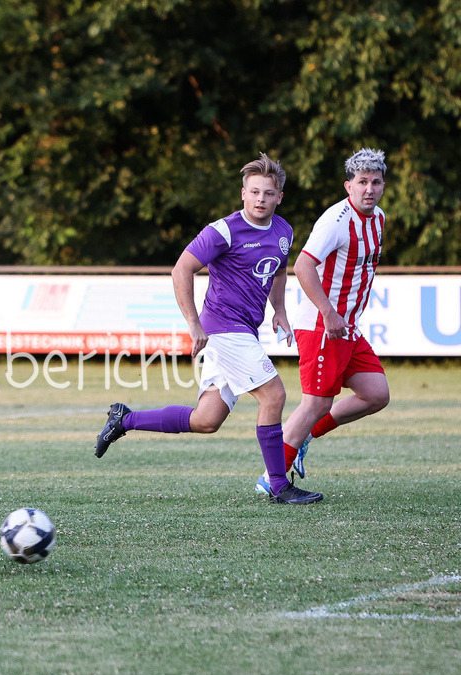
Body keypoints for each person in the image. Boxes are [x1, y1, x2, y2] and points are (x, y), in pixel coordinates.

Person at [94, 153, 323, 504]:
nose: (261, 199)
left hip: (245, 329)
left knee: (207, 419)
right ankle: (279, 485)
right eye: (254, 191)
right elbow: (181, 270)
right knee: (274, 395)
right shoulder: (223, 230)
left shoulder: (284, 231)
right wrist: (193, 323)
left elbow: (278, 270)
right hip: (223, 328)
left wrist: (280, 311)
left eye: (268, 193)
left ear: (280, 197)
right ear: (243, 194)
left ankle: (125, 419)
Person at [255, 148, 390, 494]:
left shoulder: (379, 218)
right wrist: (329, 312)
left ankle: (302, 439)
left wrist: (342, 318)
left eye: (375, 182)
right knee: (315, 402)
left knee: (376, 394)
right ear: (349, 186)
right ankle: (271, 480)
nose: (369, 189)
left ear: (383, 185)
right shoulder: (336, 220)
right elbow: (302, 266)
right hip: (320, 324)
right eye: (362, 182)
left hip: (347, 327)